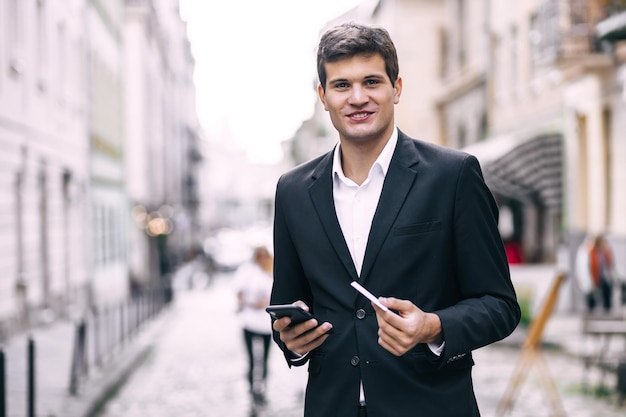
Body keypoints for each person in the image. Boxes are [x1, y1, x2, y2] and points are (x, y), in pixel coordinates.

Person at [269, 22, 521, 417]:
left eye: (372, 81)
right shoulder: (293, 191)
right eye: (341, 85)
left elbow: (501, 305)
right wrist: (291, 339)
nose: (357, 98)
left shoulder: (452, 176)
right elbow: (288, 304)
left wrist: (433, 326)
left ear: (396, 88)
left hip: (431, 406)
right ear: (322, 96)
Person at [234, 245, 274, 405]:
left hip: (265, 323)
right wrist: (250, 303)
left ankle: (262, 387)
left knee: (264, 359)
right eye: (260, 256)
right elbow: (239, 292)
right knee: (251, 359)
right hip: (249, 321)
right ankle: (252, 389)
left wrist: (264, 303)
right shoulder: (247, 271)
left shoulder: (271, 272)